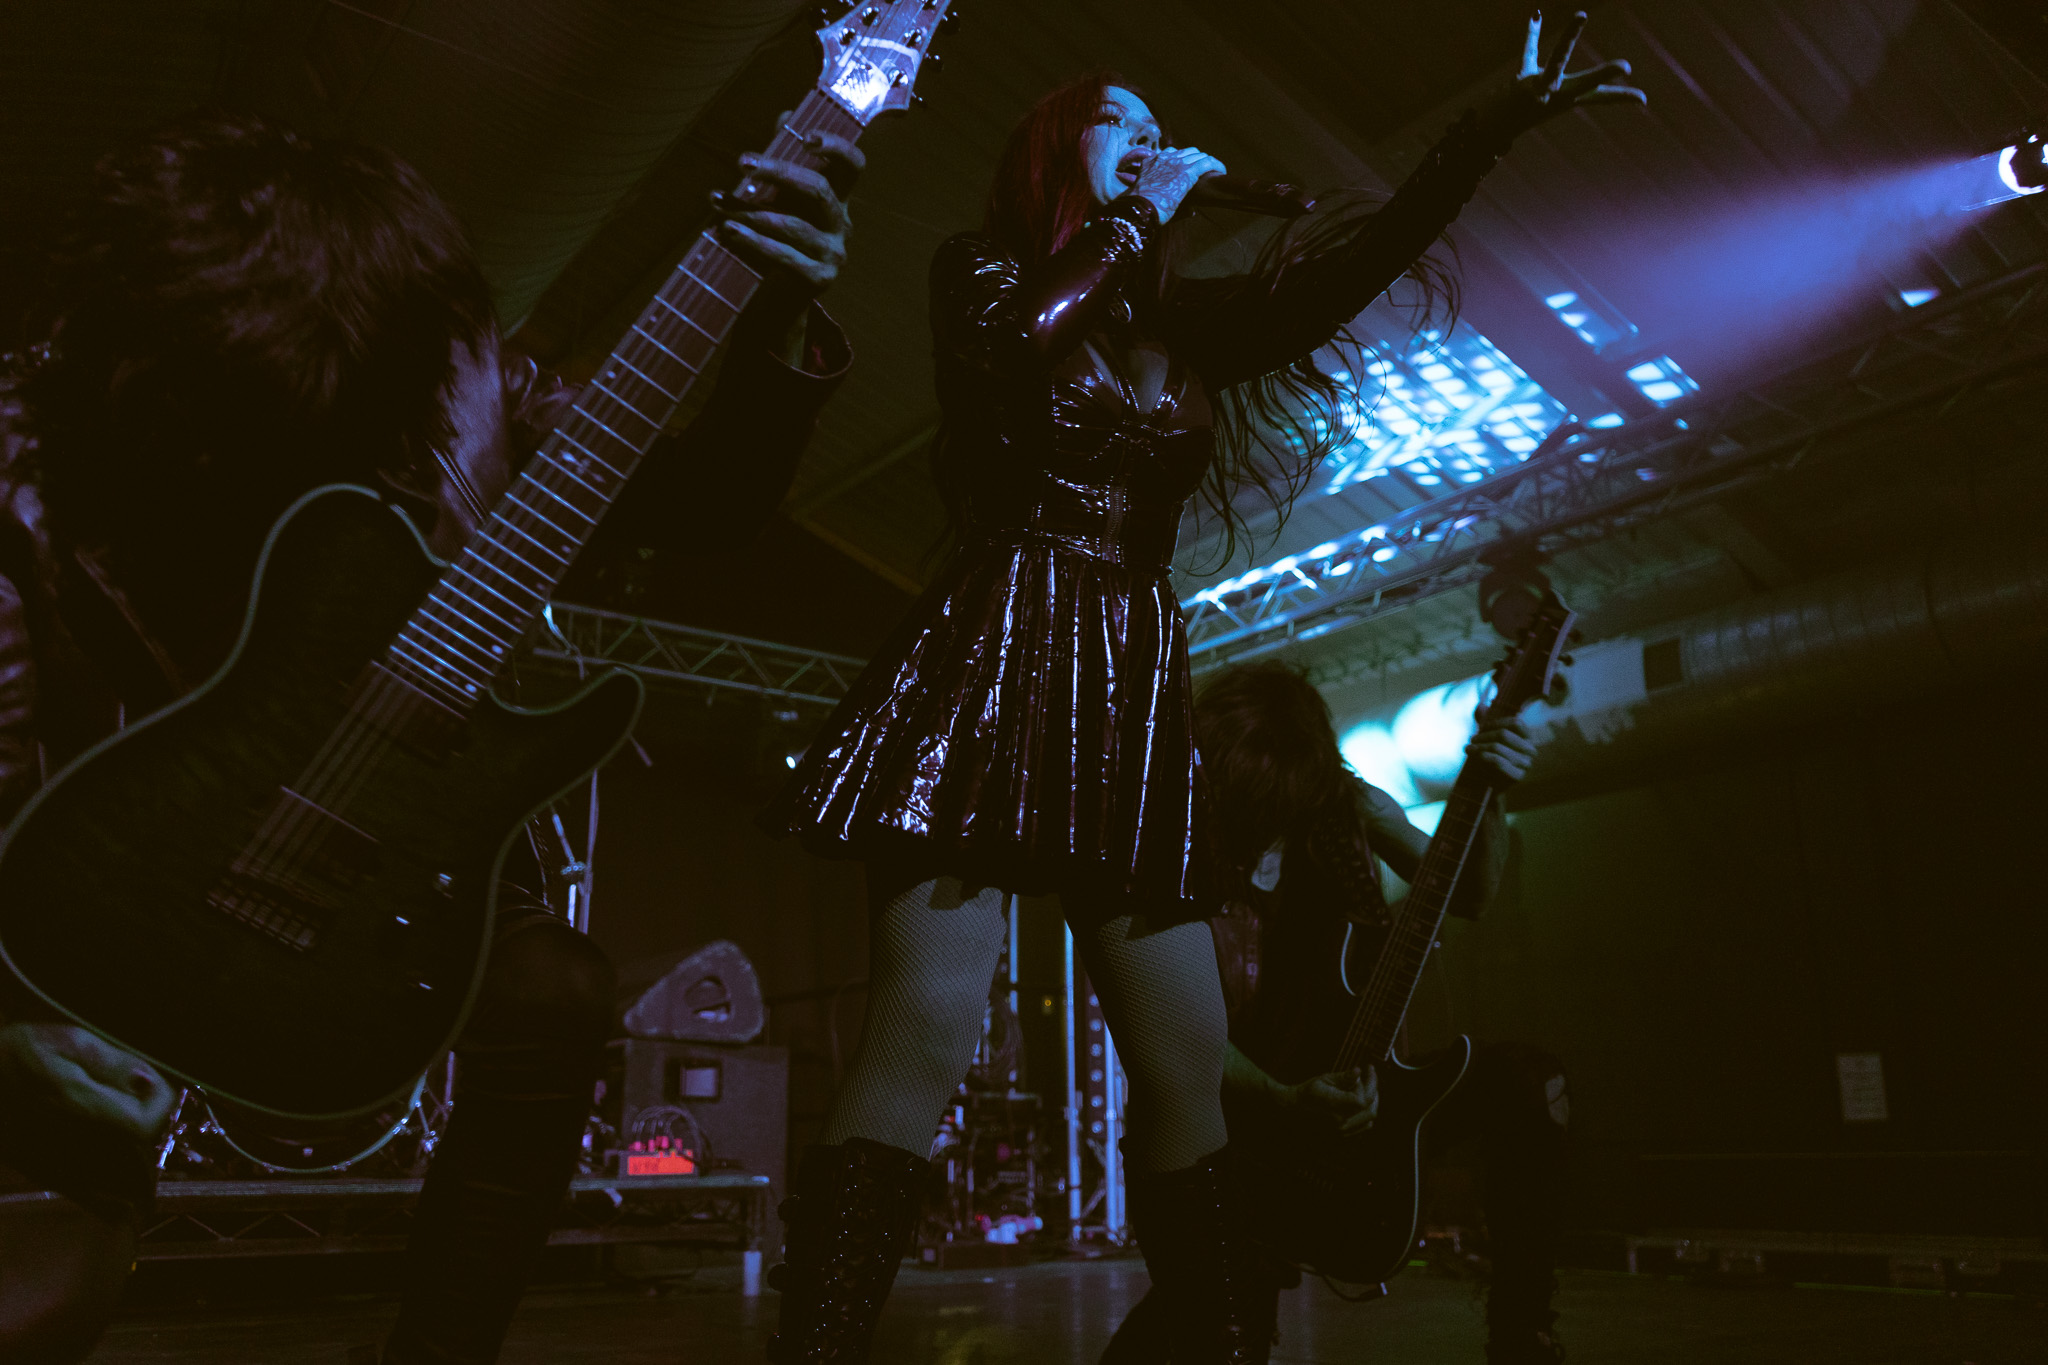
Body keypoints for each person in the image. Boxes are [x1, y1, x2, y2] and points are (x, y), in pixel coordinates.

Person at [762, 12, 1642, 1362]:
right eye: (1122, 122)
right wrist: (1141, 216)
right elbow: (1017, 345)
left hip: (1126, 673)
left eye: (1158, 128)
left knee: (1187, 1064)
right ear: (1058, 149)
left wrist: (1479, 138)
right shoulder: (980, 267)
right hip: (998, 647)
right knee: (924, 1033)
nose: (1151, 137)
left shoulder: (1179, 325)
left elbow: (1352, 271)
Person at [0, 109, 859, 1364]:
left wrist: (775, 313)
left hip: (383, 802)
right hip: (132, 820)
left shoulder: (453, 379)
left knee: (554, 994)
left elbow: (704, 503)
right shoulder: (53, 432)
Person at [1102, 659, 1569, 1365]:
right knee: (1217, 1331)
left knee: (1532, 1082)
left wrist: (1491, 790)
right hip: (1229, 1126)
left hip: (1352, 1094)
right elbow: (1168, 1026)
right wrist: (1285, 1100)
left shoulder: (1344, 805)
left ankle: (1523, 1331)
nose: (1259, 824)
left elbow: (1470, 891)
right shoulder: (1164, 842)